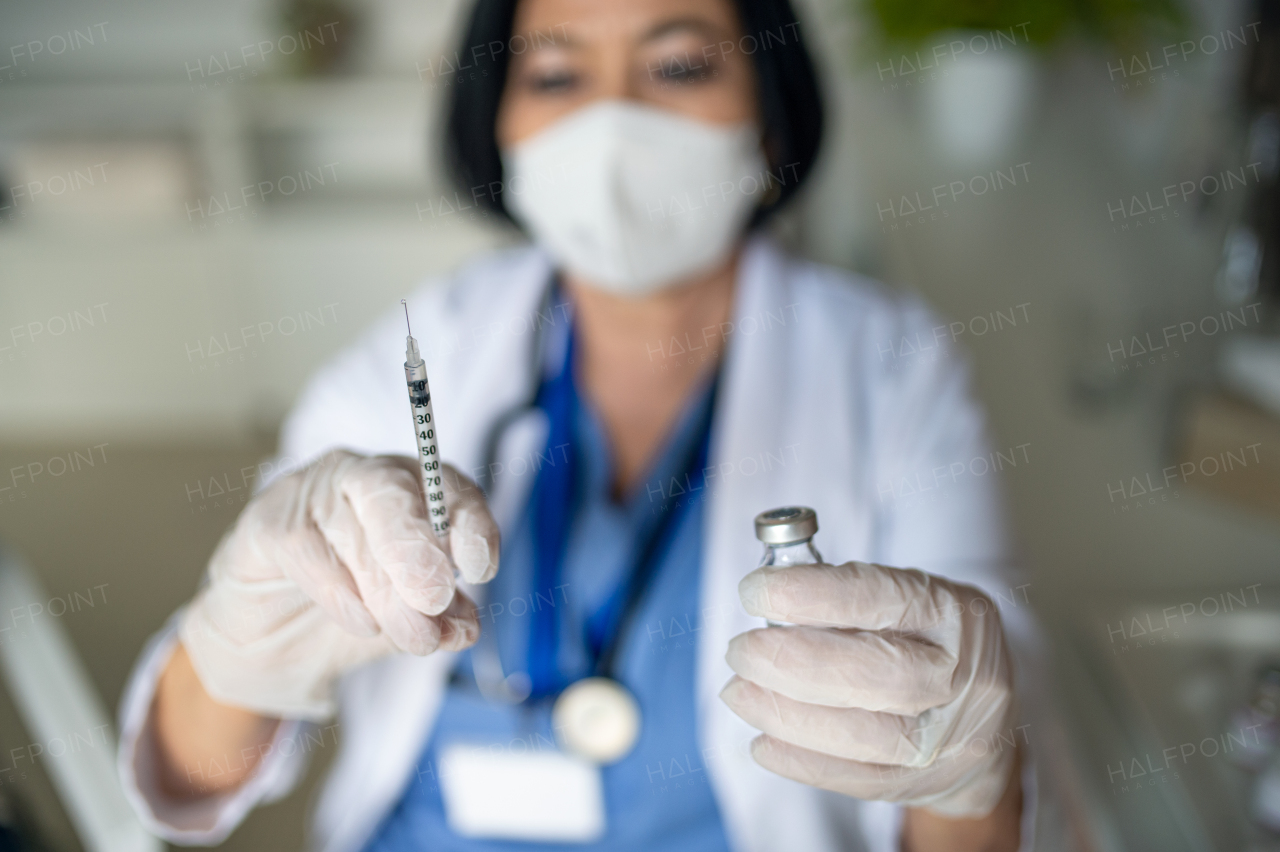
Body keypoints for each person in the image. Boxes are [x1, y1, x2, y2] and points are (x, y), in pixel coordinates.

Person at [117, 0, 1057, 849]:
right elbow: (193, 775)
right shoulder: (426, 349)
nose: (613, 120)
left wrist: (972, 771)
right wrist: (239, 649)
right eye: (557, 75)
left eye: (680, 66)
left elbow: (973, 806)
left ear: (770, 119)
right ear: (500, 127)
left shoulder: (888, 368)